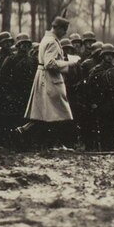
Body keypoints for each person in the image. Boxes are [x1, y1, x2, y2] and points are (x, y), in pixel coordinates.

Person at [23, 17, 76, 148]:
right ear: (57, 28)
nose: (65, 32)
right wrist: (70, 63)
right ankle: (54, 144)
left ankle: (50, 144)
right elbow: (50, 63)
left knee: (49, 114)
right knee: (57, 113)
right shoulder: (52, 42)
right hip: (50, 79)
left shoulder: (47, 39)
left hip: (44, 78)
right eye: (64, 29)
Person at [86, 43, 114, 151]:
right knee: (104, 127)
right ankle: (104, 149)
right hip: (102, 103)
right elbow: (90, 88)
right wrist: (93, 102)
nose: (109, 57)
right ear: (102, 56)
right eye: (106, 55)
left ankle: (112, 148)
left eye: (111, 55)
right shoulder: (96, 70)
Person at [0, 33, 37, 137]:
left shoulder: (33, 60)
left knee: (26, 118)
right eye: (22, 44)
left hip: (28, 93)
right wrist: (7, 93)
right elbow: (2, 78)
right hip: (13, 93)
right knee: (13, 118)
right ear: (18, 45)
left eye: (27, 44)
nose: (25, 46)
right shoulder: (10, 59)